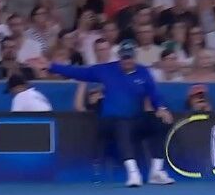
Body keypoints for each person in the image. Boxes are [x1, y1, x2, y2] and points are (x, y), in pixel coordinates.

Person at [31, 40, 176, 187]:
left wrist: (161, 108)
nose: (127, 60)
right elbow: (79, 72)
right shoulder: (106, 70)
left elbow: (154, 93)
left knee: (161, 121)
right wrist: (51, 66)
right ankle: (133, 173)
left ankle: (156, 172)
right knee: (122, 124)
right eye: (124, 57)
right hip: (110, 123)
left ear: (135, 57)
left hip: (135, 120)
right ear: (119, 57)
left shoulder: (143, 72)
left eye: (130, 57)